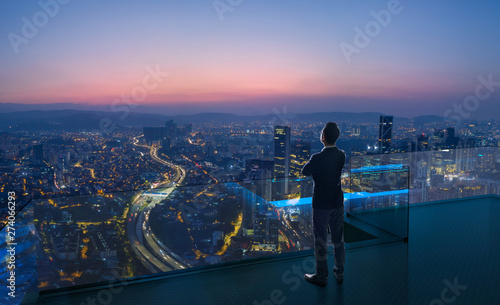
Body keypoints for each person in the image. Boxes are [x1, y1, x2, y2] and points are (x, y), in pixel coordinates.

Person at [302, 122, 346, 286]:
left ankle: (322, 275)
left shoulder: (317, 158)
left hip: (321, 204)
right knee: (338, 238)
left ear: (323, 137)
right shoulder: (341, 155)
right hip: (337, 202)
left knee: (320, 240)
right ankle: (339, 271)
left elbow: (305, 171)